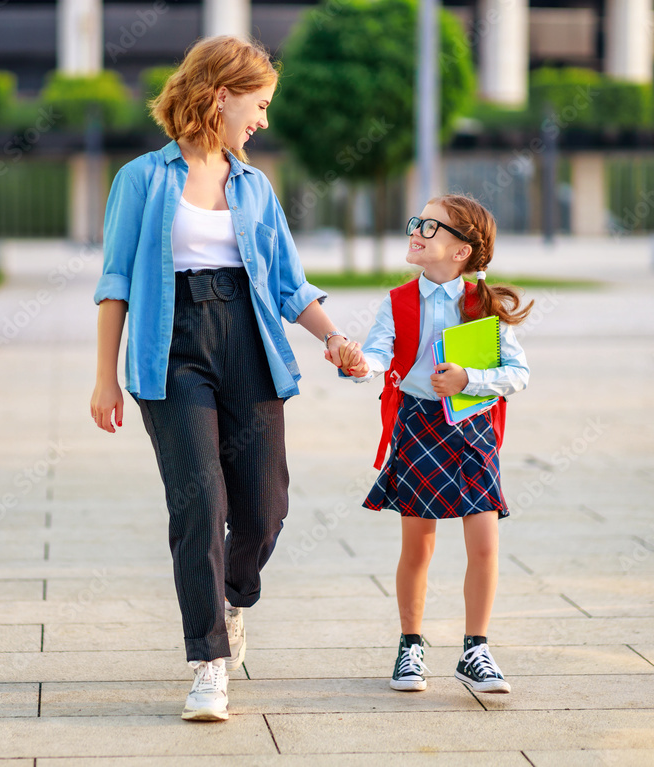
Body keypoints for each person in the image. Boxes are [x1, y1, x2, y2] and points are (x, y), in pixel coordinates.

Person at [89, 35, 353, 722]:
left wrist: (336, 340)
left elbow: (291, 283)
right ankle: (208, 661)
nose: (263, 120)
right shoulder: (142, 179)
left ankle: (236, 596)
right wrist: (104, 378)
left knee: (265, 509)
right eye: (258, 104)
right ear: (219, 95)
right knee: (198, 506)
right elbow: (115, 282)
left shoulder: (254, 187)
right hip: (171, 353)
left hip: (250, 347)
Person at [339, 194, 532, 695]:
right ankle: (410, 646)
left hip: (472, 430)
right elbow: (381, 354)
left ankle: (476, 649)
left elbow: (518, 373)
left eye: (431, 226)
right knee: (418, 546)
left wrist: (470, 377)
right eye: (417, 222)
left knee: (485, 544)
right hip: (419, 425)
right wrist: (362, 363)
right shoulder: (398, 301)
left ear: (461, 251)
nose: (417, 230)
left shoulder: (481, 305)